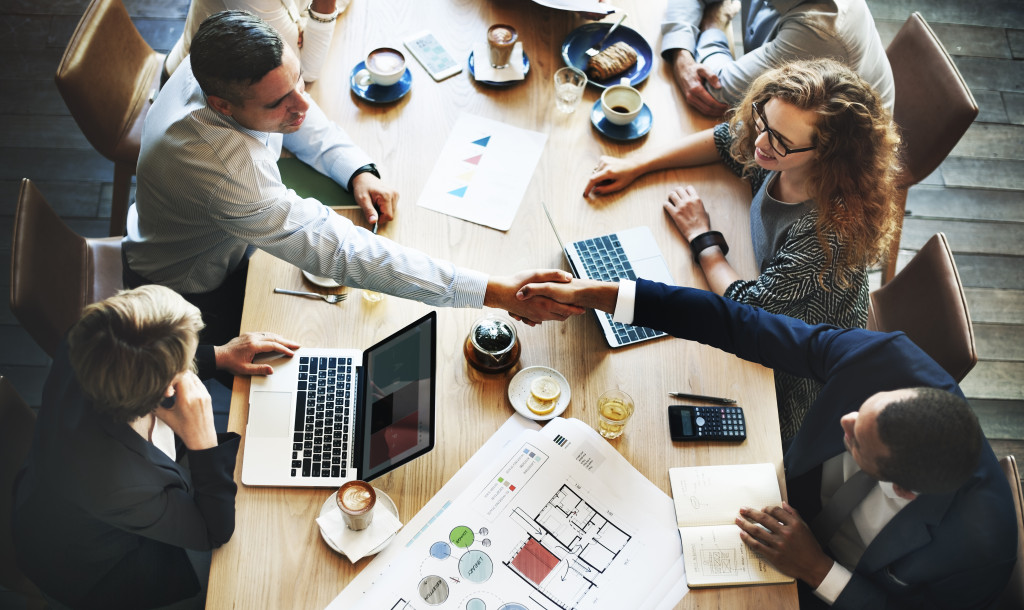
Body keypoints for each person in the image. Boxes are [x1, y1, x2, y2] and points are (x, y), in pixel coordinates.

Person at [516, 277, 1018, 608]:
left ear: (904, 489)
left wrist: (817, 569)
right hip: (765, 508)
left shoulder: (982, 546)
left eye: (856, 441)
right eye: (862, 412)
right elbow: (746, 326)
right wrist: (608, 296)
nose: (843, 419)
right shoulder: (885, 362)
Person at [124, 11, 581, 348]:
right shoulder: (220, 166)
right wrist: (493, 292)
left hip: (227, 239)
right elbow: (339, 249)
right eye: (279, 103)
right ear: (222, 105)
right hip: (190, 287)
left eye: (299, 83)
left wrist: (354, 168)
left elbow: (292, 111)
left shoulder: (219, 54)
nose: (302, 107)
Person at [586, 59, 901, 439]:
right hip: (762, 288)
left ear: (828, 153)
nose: (760, 142)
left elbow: (750, 310)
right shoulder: (777, 146)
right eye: (763, 119)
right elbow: (725, 139)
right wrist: (637, 163)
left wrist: (703, 238)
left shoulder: (826, 234)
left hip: (792, 376)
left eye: (781, 140)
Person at [11, 285, 296, 609]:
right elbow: (212, 532)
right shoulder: (117, 480)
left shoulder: (91, 339)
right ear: (163, 389)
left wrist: (218, 355)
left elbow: (138, 349)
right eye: (186, 362)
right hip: (92, 567)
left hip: (59, 490)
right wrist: (202, 441)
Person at [661, 0, 894, 116]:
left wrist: (714, 25)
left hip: (831, 161)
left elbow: (718, 92)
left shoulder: (821, 29)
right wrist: (681, 53)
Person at [164, 0, 346, 84]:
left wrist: (302, 22)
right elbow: (304, 71)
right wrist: (319, 10)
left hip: (251, 83)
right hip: (196, 95)